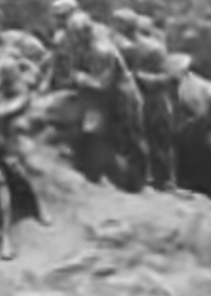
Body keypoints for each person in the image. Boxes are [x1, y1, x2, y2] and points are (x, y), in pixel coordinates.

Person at [62, 10, 148, 190]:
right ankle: (91, 171)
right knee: (88, 131)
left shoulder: (101, 51)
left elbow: (102, 84)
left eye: (76, 35)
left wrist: (78, 77)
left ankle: (139, 180)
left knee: (131, 136)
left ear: (85, 33)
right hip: (97, 96)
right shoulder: (82, 46)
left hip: (121, 95)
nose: (72, 39)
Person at [111, 8, 177, 190]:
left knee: (158, 142)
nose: (116, 29)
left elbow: (168, 78)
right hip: (129, 101)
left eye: (120, 25)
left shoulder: (154, 49)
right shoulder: (118, 47)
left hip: (154, 101)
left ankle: (164, 181)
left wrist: (139, 78)